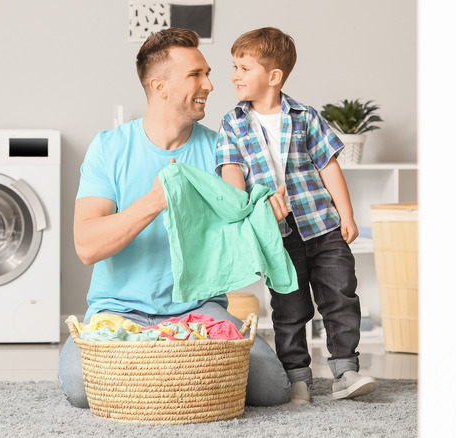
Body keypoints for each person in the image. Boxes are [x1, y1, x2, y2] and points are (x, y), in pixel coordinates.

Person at [58, 27, 291, 408]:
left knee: (272, 388)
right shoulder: (109, 147)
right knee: (79, 385)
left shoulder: (223, 147)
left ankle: (158, 376)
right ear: (159, 86)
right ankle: (178, 378)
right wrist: (154, 201)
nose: (211, 85)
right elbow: (87, 245)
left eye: (208, 73)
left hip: (198, 311)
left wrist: (267, 210)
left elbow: (241, 222)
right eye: (196, 75)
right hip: (118, 312)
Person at [215, 27, 377, 404]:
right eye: (233, 66)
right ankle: (298, 380)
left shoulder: (305, 116)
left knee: (340, 295)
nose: (234, 75)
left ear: (273, 77)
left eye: (243, 67)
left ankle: (344, 371)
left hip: (323, 225)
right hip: (277, 236)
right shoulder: (232, 123)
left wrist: (347, 214)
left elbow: (329, 166)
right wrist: (248, 208)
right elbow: (230, 171)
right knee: (289, 309)